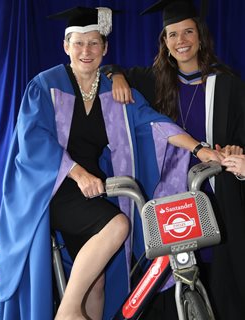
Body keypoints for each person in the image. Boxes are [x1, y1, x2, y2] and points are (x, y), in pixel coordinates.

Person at [0, 5, 223, 320]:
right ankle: (69, 312)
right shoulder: (45, 86)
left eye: (93, 42)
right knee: (118, 225)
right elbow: (36, 141)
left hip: (94, 190)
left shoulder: (112, 90)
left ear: (104, 48)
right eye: (78, 43)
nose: (85, 50)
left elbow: (155, 124)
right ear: (66, 47)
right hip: (52, 188)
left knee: (97, 283)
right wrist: (77, 173)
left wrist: (199, 149)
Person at [104, 0, 245, 319]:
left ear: (200, 36)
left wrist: (236, 151)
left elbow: (240, 136)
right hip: (171, 195)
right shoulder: (152, 80)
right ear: (164, 43)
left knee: (220, 270)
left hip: (214, 190)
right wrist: (117, 76)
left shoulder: (227, 85)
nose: (181, 41)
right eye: (172, 34)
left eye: (188, 32)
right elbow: (105, 70)